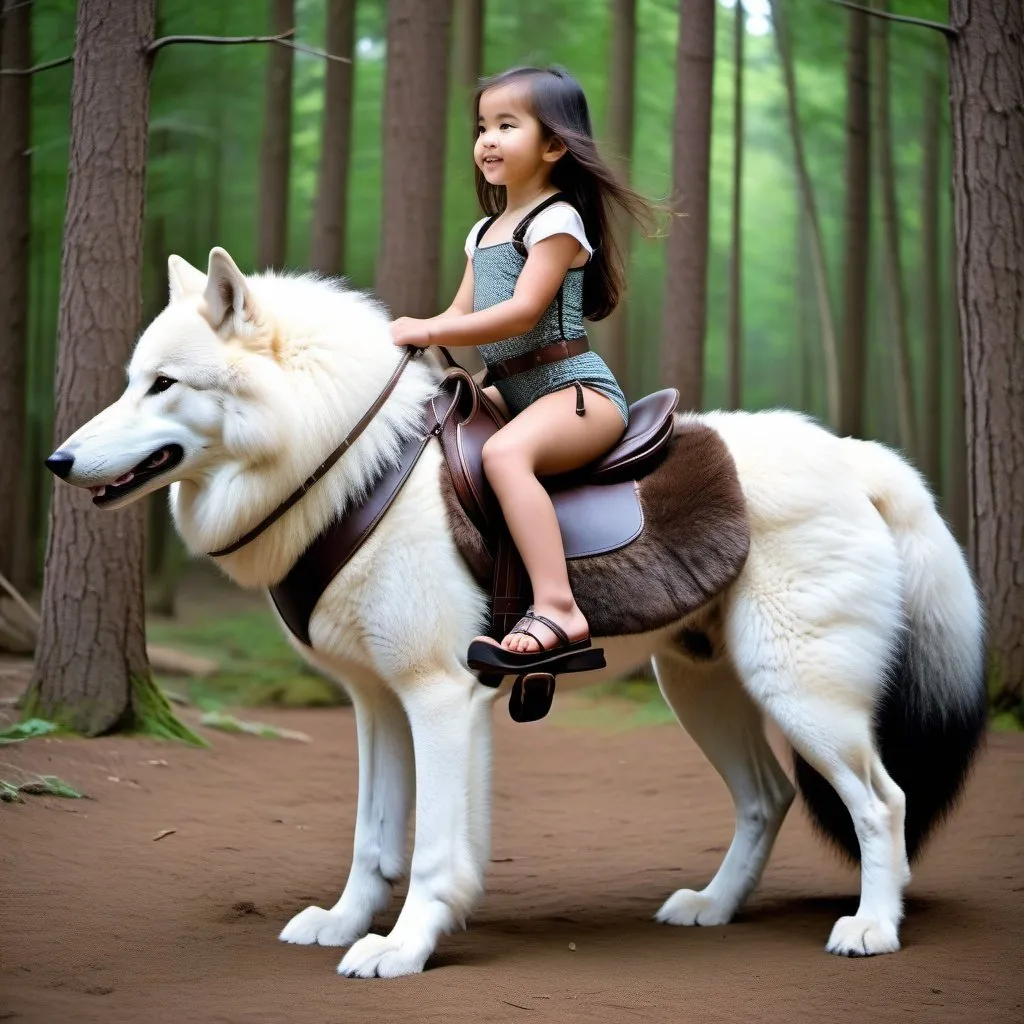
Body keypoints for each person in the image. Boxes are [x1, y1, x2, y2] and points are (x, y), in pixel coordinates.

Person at [390, 64, 652, 669]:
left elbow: (520, 312)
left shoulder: (557, 221)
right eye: (483, 126)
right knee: (430, 438)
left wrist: (428, 329)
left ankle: (558, 605)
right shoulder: (484, 230)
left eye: (507, 125)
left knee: (505, 456)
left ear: (555, 145)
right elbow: (461, 312)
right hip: (512, 389)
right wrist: (410, 341)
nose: (487, 139)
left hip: (575, 392)